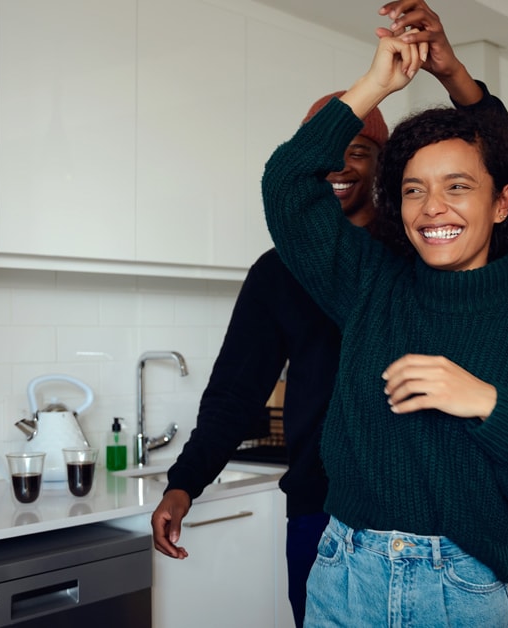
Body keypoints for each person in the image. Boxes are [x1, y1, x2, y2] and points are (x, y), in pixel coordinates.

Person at [261, 1, 508, 624]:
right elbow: (286, 186)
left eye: (458, 187)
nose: (432, 207)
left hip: (451, 588)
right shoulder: (371, 283)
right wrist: (374, 86)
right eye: (414, 189)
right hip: (338, 570)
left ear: (501, 204)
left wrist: (486, 403)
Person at [148, 90, 389, 626]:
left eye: (357, 150)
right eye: (323, 151)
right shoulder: (277, 272)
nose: (338, 166)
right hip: (316, 509)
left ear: (382, 163)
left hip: (411, 511)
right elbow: (236, 392)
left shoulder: (410, 256)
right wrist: (184, 483)